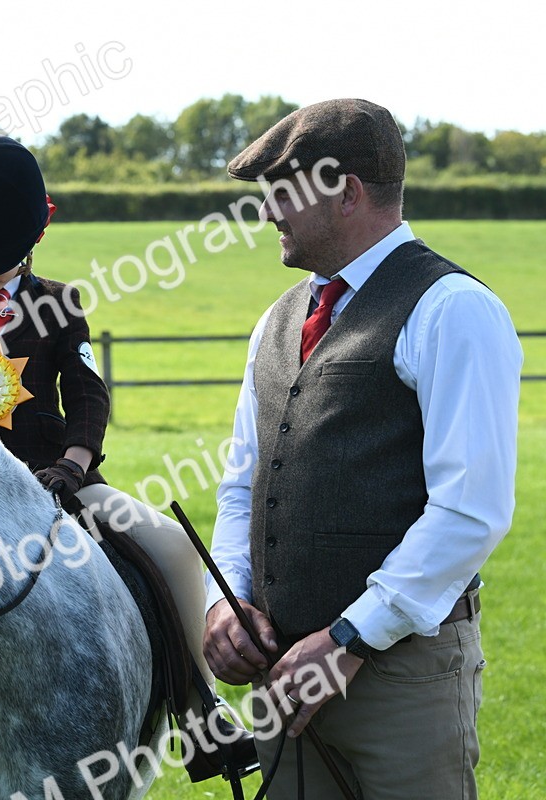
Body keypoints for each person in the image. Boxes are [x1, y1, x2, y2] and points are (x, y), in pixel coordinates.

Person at [0, 132, 256, 782]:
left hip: (58, 482)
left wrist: (76, 462)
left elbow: (86, 391)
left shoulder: (60, 303)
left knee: (170, 545)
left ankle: (201, 714)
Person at [203, 99, 522, 799]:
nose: (267, 213)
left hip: (401, 681)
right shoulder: (277, 320)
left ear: (346, 191)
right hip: (282, 682)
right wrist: (225, 603)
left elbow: (471, 509)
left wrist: (349, 639)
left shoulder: (452, 309)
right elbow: (242, 482)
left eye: (283, 192)